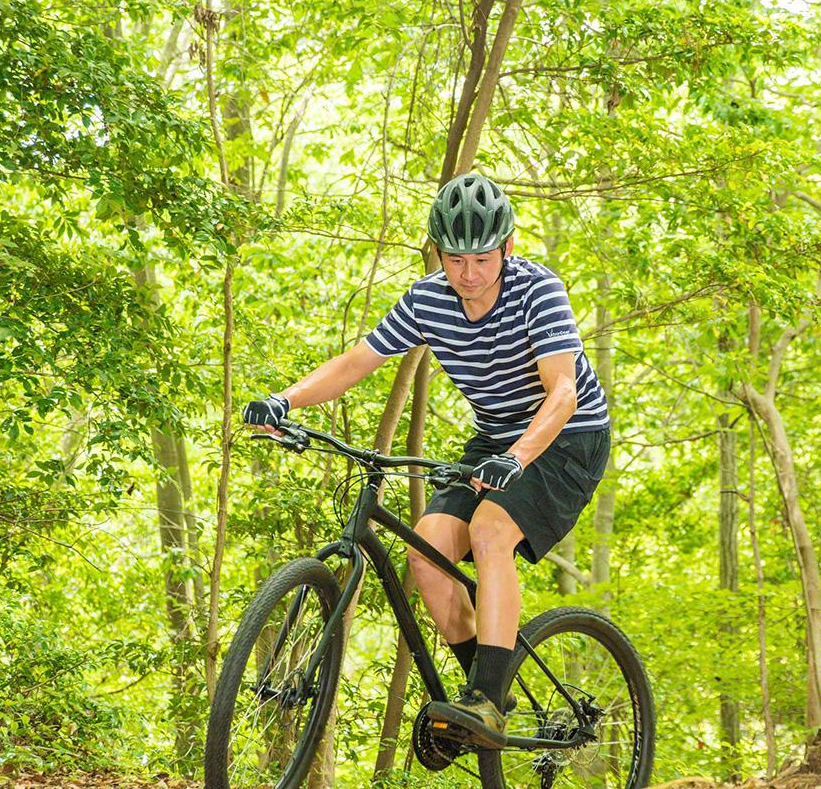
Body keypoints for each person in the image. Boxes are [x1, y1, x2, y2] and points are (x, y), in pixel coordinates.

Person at [242, 172, 610, 749]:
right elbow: (356, 361)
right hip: (496, 441)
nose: (468, 273)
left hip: (568, 438)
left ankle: (487, 698)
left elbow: (562, 392)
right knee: (427, 553)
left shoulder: (538, 291)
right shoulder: (427, 300)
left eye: (482, 259)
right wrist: (284, 401)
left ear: (508, 248)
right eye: (455, 259)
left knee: (490, 531)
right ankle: (485, 694)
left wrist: (516, 458)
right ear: (438, 251)